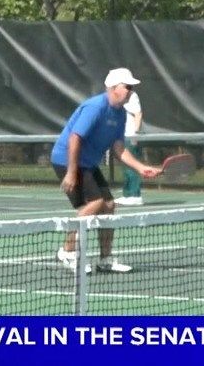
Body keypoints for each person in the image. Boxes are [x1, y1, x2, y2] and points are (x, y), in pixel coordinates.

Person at [51, 67, 160, 273]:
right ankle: (67, 251)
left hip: (88, 163)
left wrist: (141, 168)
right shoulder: (95, 107)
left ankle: (105, 259)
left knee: (108, 205)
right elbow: (75, 138)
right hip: (67, 159)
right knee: (96, 202)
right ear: (113, 88)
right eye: (127, 86)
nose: (131, 91)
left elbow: (119, 148)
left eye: (132, 87)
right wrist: (71, 172)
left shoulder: (120, 115)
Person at [114, 90, 145, 206]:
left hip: (131, 136)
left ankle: (135, 195)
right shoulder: (117, 98)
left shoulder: (132, 95)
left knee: (132, 166)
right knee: (126, 167)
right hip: (122, 136)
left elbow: (138, 114)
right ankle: (127, 194)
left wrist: (135, 134)